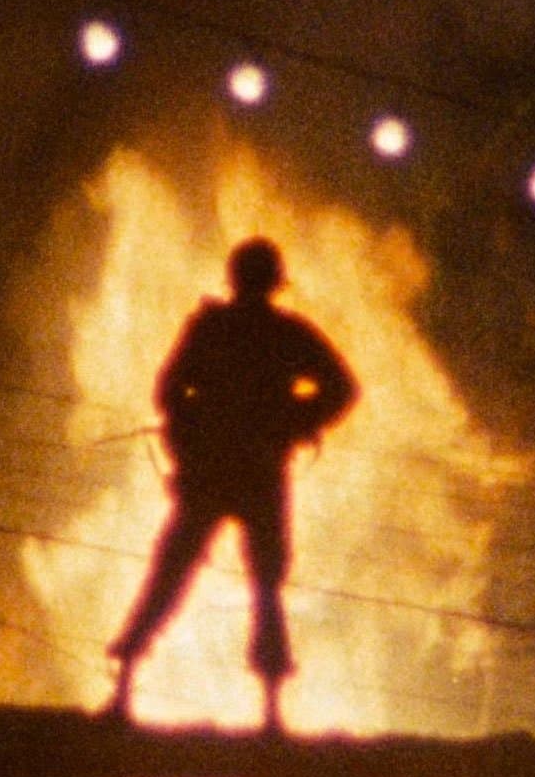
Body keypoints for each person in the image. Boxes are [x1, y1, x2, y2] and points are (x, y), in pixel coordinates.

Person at [106, 237, 357, 728]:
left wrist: (195, 429)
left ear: (236, 278)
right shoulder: (285, 333)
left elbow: (167, 392)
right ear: (272, 282)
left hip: (217, 469)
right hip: (255, 469)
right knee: (261, 583)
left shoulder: (213, 328)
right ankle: (270, 712)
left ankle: (123, 690)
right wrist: (295, 417)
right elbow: (342, 389)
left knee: (175, 571)